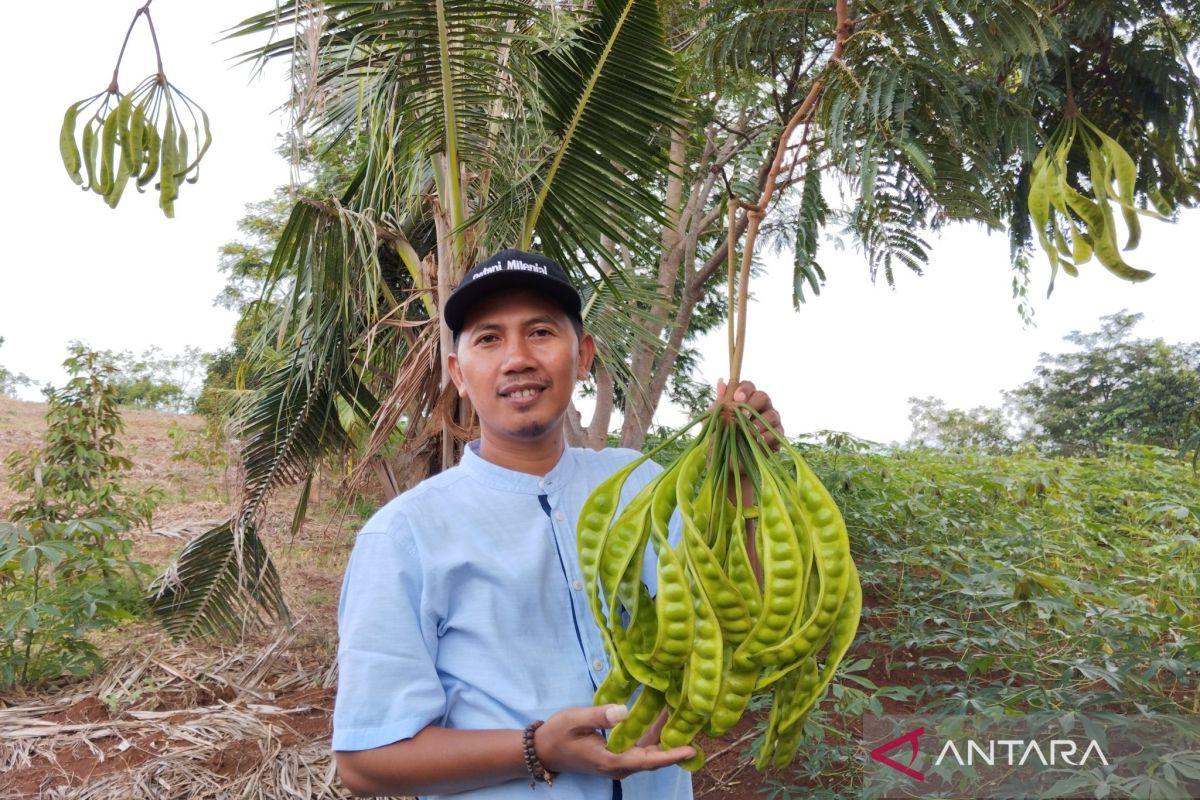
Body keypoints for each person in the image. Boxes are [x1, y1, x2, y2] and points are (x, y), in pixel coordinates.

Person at [331, 249, 782, 799]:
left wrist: (741, 482)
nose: (517, 358)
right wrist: (538, 748)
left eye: (541, 332)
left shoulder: (643, 484)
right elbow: (365, 763)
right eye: (489, 339)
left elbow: (736, 616)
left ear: (583, 355)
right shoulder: (404, 535)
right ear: (459, 374)